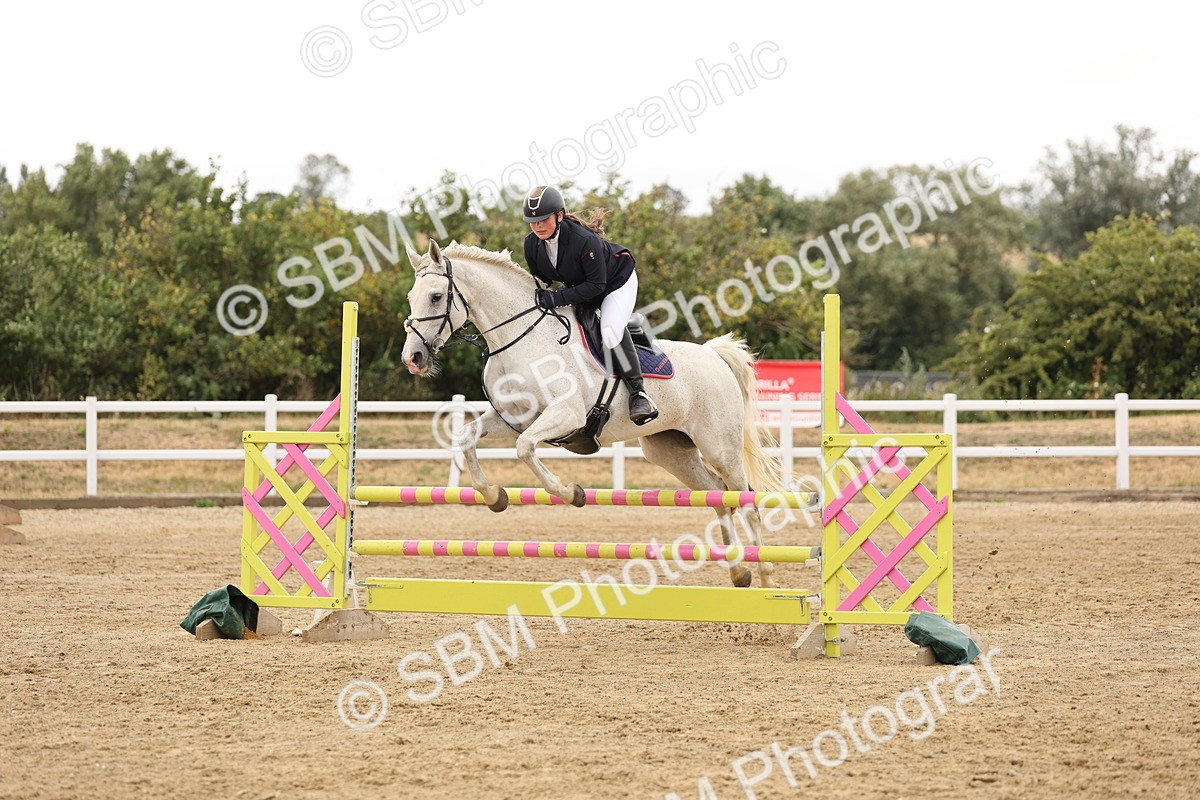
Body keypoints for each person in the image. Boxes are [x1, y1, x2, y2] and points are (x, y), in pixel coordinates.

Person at [521, 185, 659, 425]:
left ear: (559, 215)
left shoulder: (584, 240)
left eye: (543, 219)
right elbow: (541, 282)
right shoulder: (532, 244)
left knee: (609, 331)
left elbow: (597, 285)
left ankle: (638, 393)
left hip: (616, 283)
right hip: (580, 286)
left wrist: (556, 298)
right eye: (532, 221)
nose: (538, 226)